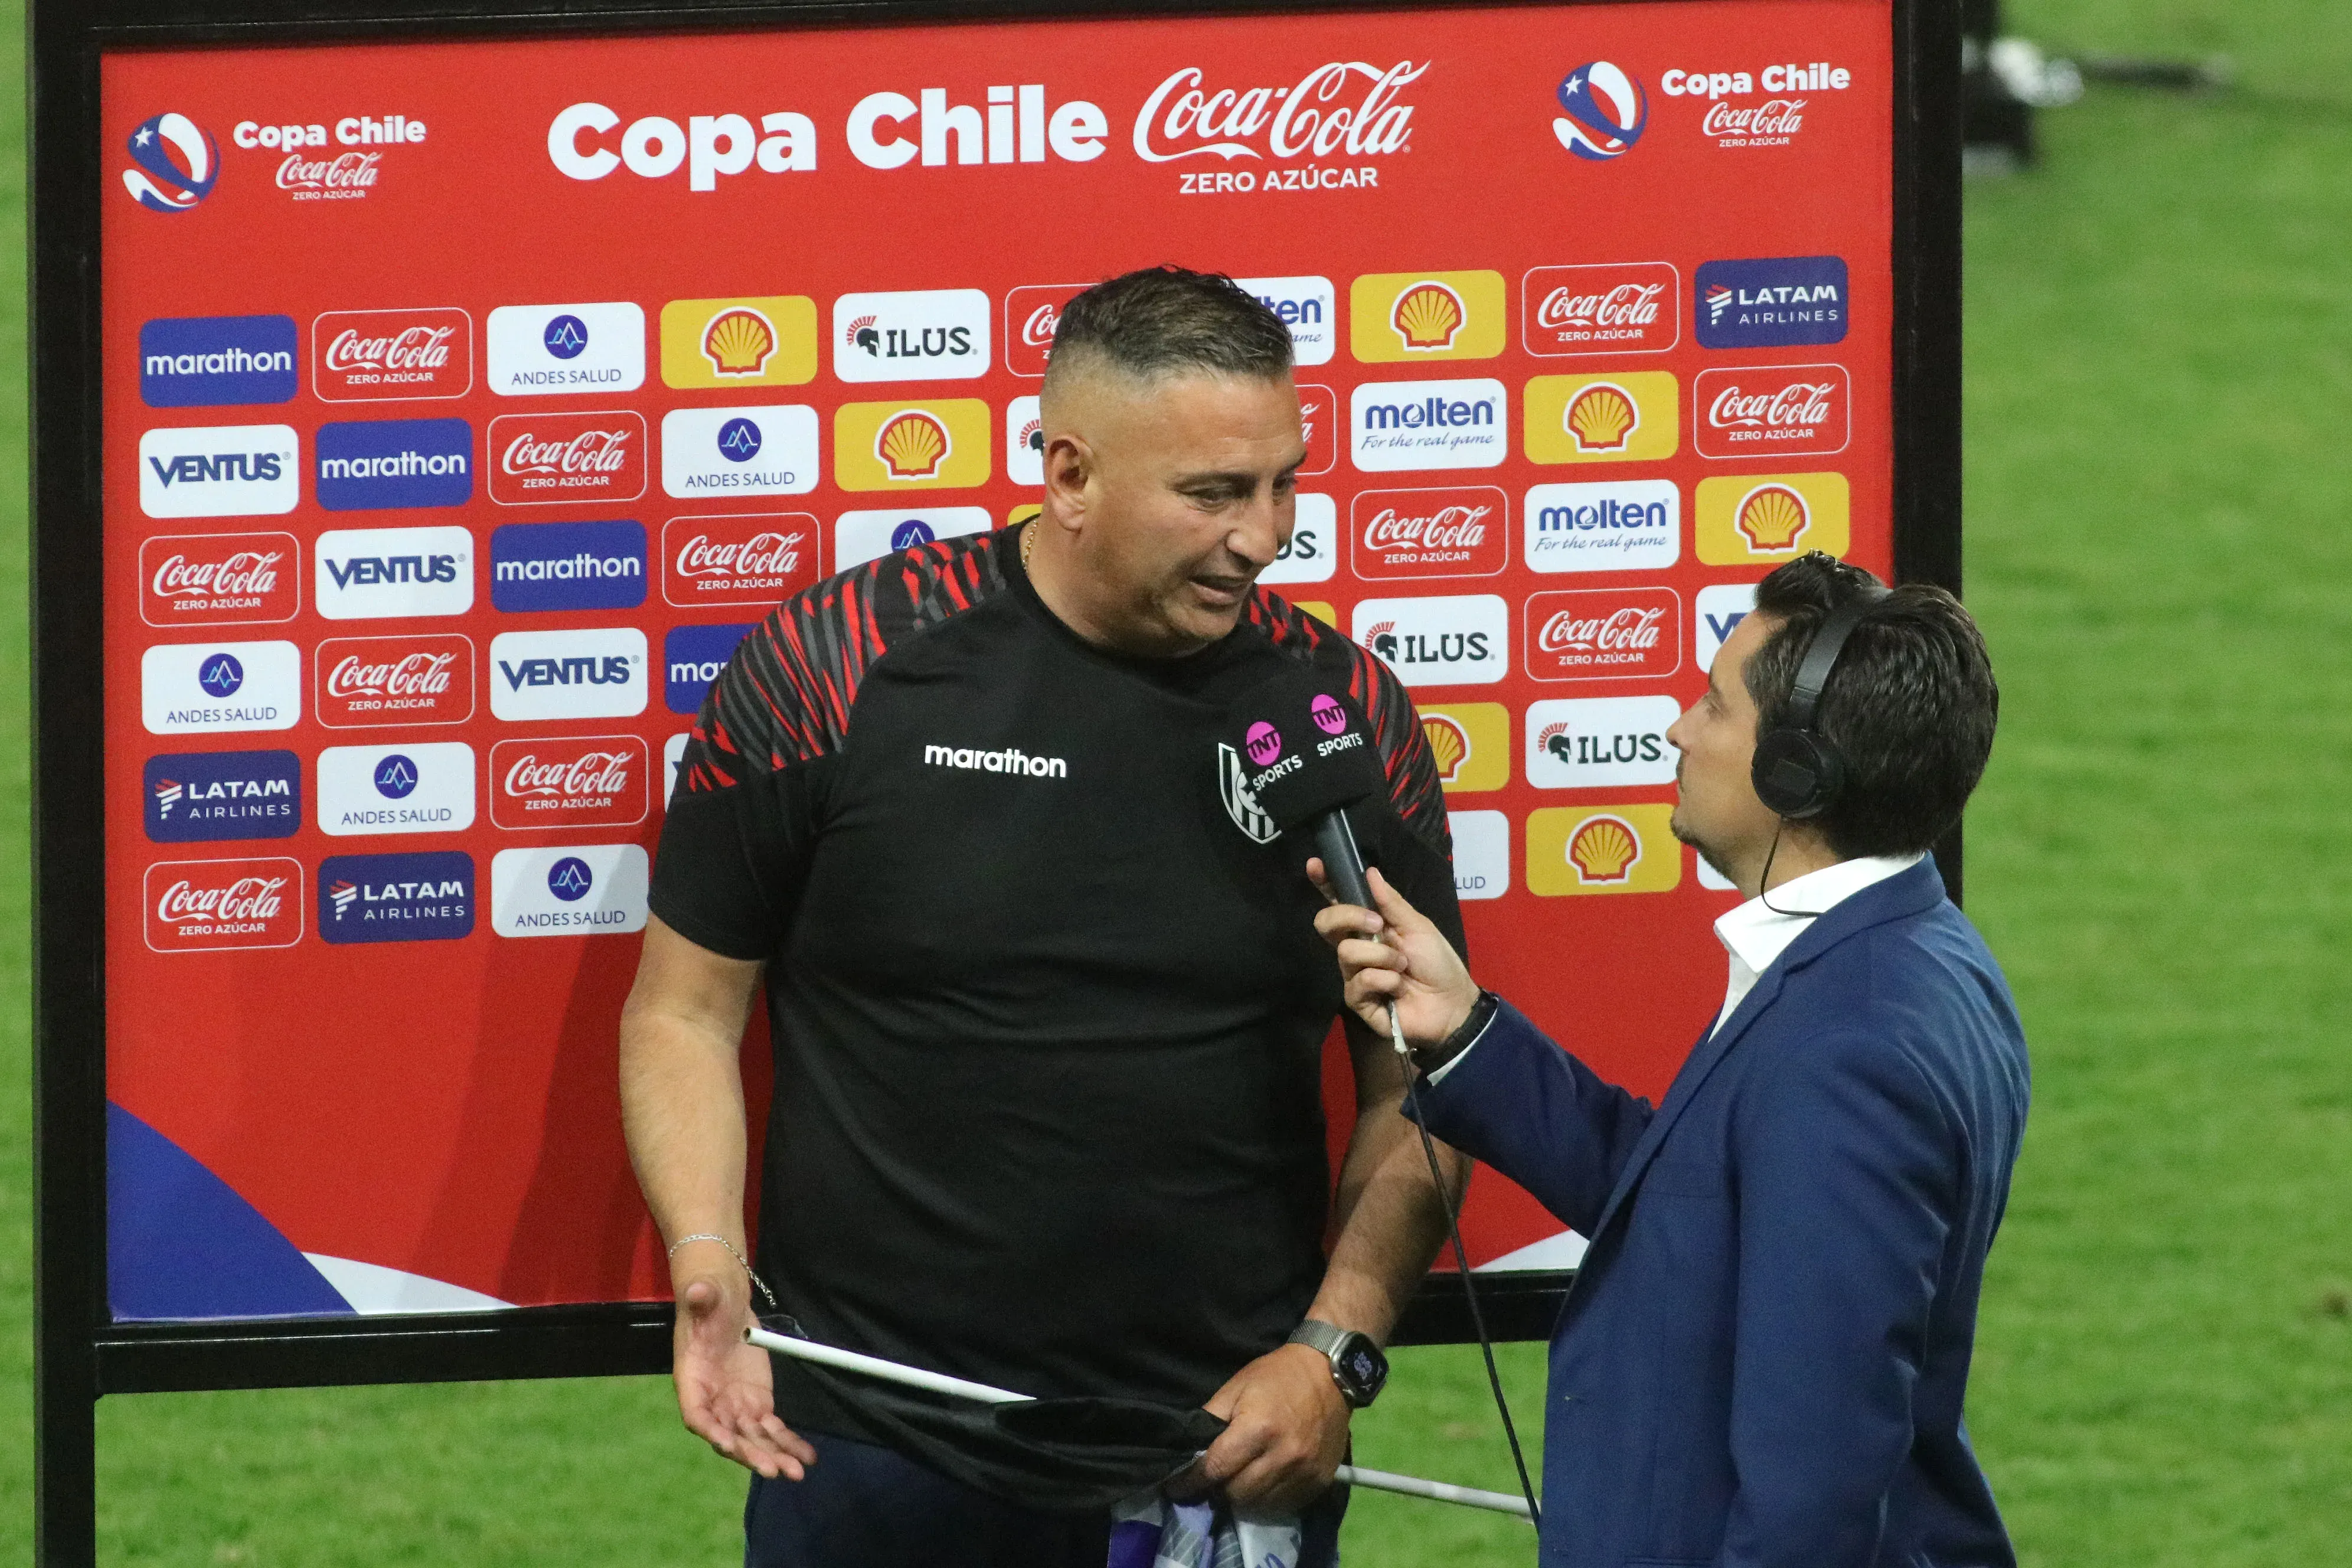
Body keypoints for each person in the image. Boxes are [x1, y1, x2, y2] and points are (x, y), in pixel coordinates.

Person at [618, 266, 1468, 1568]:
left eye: (1283, 482)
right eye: (1213, 493)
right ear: (1069, 473)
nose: (1266, 534)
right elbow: (684, 1007)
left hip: (1227, 1444)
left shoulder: (1338, 712)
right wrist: (703, 1248)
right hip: (876, 1446)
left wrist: (1333, 1350)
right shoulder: (837, 668)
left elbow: (1423, 1081)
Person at [1315, 553, 2030, 1567]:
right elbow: (1687, 1202)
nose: (1678, 730)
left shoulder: (1848, 1048)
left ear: (1797, 770)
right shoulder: (1906, 949)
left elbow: (1813, 1489)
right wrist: (1465, 1028)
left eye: (1712, 706)